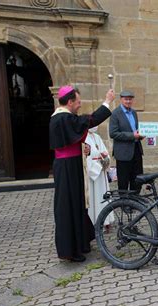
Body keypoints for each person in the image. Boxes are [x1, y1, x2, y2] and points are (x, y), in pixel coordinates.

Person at [49, 86, 114, 262]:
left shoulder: (63, 118)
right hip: (67, 168)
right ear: (69, 102)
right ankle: (70, 250)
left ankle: (81, 243)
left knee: (78, 204)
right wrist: (107, 101)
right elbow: (91, 121)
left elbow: (69, 139)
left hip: (71, 166)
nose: (80, 105)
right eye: (78, 101)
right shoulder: (63, 118)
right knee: (69, 206)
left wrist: (81, 147)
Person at [109, 90, 144, 192]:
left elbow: (135, 130)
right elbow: (113, 133)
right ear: (121, 99)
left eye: (130, 99)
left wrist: (140, 135)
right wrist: (132, 135)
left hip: (136, 150)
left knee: (137, 179)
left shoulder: (133, 112)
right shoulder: (115, 114)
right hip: (123, 153)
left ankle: (135, 201)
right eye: (126, 99)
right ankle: (125, 204)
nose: (128, 101)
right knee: (123, 181)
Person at [85, 126, 113, 226]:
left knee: (103, 195)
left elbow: (105, 151)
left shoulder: (97, 137)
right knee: (95, 197)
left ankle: (106, 220)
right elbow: (86, 158)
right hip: (94, 173)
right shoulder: (83, 137)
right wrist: (97, 167)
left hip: (101, 171)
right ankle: (95, 221)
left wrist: (106, 158)